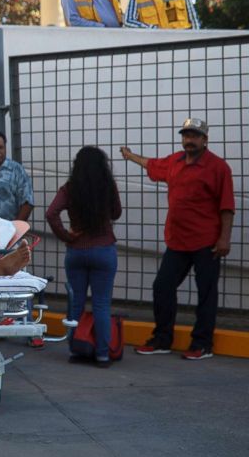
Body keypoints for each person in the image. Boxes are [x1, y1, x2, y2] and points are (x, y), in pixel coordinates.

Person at [121, 117, 235, 360]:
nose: (189, 140)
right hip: (177, 241)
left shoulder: (218, 168)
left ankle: (202, 344)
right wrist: (130, 156)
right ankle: (162, 339)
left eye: (194, 136)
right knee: (162, 286)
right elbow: (152, 164)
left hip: (207, 242)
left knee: (206, 293)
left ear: (205, 139)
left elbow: (227, 206)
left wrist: (224, 239)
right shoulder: (175, 161)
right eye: (186, 135)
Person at [45, 147, 122, 368]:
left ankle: (76, 349)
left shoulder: (70, 188)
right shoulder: (108, 187)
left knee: (76, 302)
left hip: (77, 251)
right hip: (104, 249)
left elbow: (51, 213)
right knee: (101, 304)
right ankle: (102, 355)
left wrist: (66, 236)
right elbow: (116, 213)